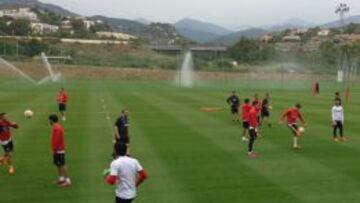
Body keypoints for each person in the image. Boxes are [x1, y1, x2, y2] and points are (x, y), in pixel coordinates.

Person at [49, 114, 71, 187]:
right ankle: (61, 178)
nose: (49, 121)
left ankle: (67, 180)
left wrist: (54, 150)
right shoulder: (56, 127)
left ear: (52, 120)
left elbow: (57, 140)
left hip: (59, 150)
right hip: (57, 150)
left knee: (62, 164)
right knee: (58, 164)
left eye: (49, 120)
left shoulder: (57, 128)